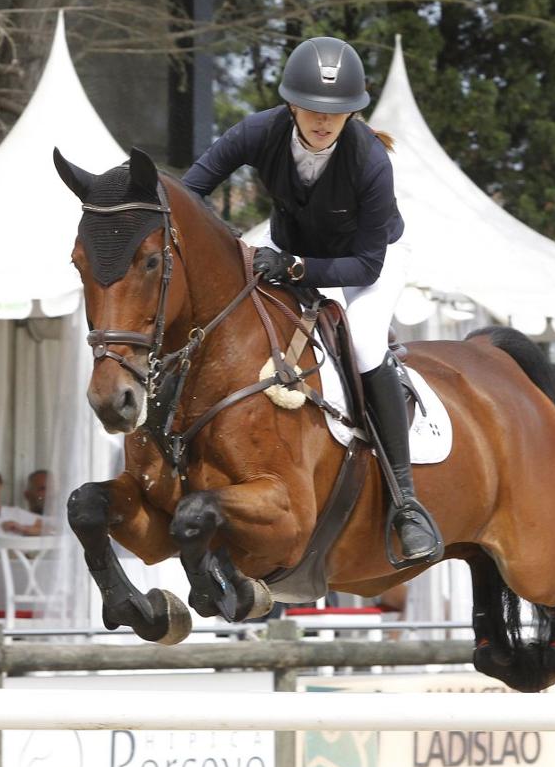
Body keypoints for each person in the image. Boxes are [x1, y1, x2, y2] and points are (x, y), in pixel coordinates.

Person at [181, 36, 442, 565]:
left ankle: (407, 503)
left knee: (365, 342)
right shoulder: (260, 130)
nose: (325, 121)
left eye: (339, 111)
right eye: (315, 108)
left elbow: (366, 265)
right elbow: (191, 192)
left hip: (371, 260)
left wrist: (299, 269)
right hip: (292, 246)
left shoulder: (369, 160)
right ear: (293, 103)